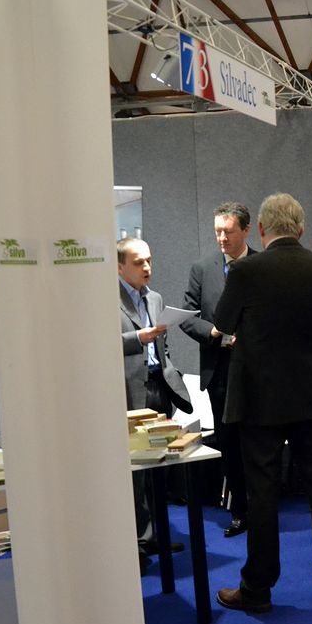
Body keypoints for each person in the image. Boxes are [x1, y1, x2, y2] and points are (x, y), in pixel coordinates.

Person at [213, 193, 312, 613]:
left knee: (262, 495)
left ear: (260, 229)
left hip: (261, 400)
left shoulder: (245, 270)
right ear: (302, 229)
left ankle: (257, 589)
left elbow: (222, 323)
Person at [180, 202, 258, 539]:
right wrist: (213, 333)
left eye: (228, 231)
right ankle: (240, 511)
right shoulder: (202, 269)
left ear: (246, 230)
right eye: (217, 232)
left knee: (259, 442)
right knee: (229, 443)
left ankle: (263, 506)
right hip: (220, 370)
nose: (222, 238)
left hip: (258, 370)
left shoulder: (261, 266)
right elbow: (187, 317)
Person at [118, 237, 192, 572]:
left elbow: (163, 345)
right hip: (128, 391)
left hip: (158, 388)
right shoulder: (106, 300)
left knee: (160, 466)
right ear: (119, 266)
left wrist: (169, 370)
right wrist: (138, 338)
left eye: (149, 260)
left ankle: (155, 535)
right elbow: (97, 343)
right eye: (138, 262)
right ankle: (135, 540)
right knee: (134, 472)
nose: (146, 267)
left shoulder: (156, 297)